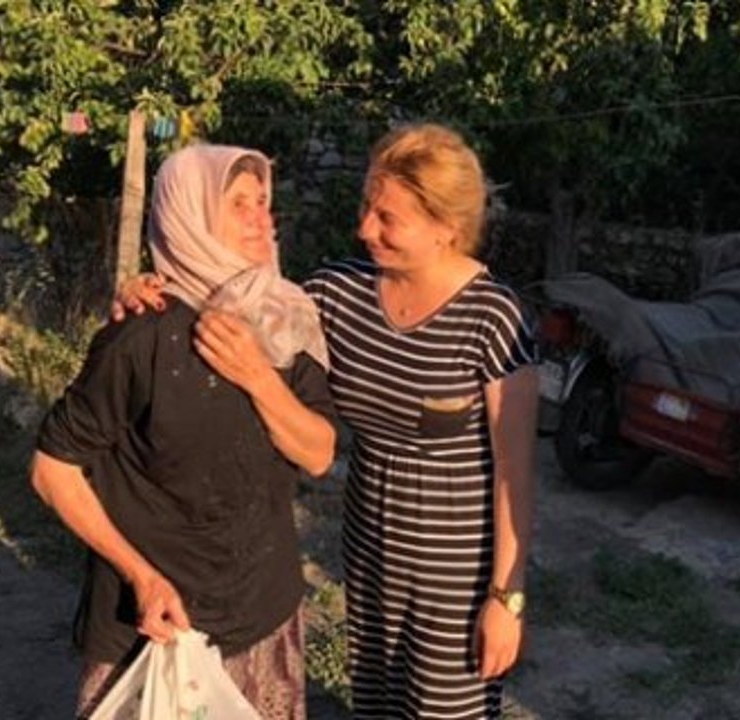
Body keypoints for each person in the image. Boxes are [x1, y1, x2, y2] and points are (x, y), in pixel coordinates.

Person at [116, 123, 539, 719]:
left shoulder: (494, 319)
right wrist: (146, 291)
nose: (365, 229)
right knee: (377, 706)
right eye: (367, 207)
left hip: (457, 574)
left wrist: (505, 599)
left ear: (445, 227)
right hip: (369, 553)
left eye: (387, 218)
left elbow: (515, 477)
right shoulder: (339, 294)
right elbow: (241, 302)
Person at [33, 144, 337, 720]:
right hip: (157, 625)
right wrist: (141, 577)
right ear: (188, 216)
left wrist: (257, 376)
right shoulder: (141, 334)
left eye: (263, 201)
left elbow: (319, 453)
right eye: (238, 203)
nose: (260, 218)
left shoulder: (284, 317)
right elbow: (52, 470)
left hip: (262, 613)